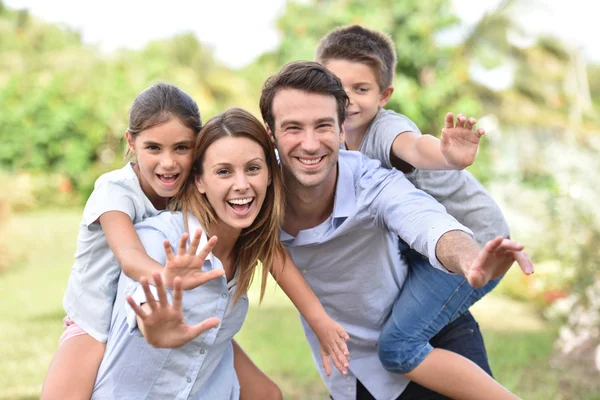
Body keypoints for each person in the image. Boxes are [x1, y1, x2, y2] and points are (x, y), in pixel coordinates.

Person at [258, 61, 534, 400]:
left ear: (342, 129)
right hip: (352, 369)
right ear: (270, 134)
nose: (311, 144)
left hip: (435, 343)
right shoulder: (256, 191)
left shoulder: (370, 180)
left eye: (323, 126)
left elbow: (426, 222)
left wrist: (469, 260)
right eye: (293, 128)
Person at [315, 24, 522, 398]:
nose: (347, 99)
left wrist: (445, 156)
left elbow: (413, 147)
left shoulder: (383, 129)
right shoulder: (330, 137)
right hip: (420, 247)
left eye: (361, 89)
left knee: (397, 347)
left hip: (474, 247)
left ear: (384, 94)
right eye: (336, 86)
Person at [41, 86, 282, 400]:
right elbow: (129, 256)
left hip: (154, 309)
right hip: (91, 318)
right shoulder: (114, 190)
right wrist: (164, 278)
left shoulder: (182, 193)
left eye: (181, 148)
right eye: (153, 148)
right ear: (131, 142)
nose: (168, 162)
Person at [91, 108, 351, 398]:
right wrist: (151, 324)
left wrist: (322, 323)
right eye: (224, 171)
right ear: (199, 181)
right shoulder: (162, 237)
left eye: (253, 168)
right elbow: (143, 296)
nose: (241, 185)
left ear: (268, 175)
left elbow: (279, 261)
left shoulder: (250, 245)